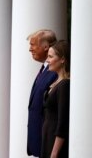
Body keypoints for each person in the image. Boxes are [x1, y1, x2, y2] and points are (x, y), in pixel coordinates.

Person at [27, 29, 58, 157]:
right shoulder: (45, 69)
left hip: (46, 143)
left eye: (33, 44)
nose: (30, 49)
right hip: (38, 142)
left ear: (46, 47)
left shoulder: (54, 72)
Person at [41, 40, 70, 158]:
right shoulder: (55, 82)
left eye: (50, 57)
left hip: (54, 144)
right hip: (48, 138)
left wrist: (54, 152)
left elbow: (63, 121)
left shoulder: (65, 85)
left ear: (62, 59)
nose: (47, 60)